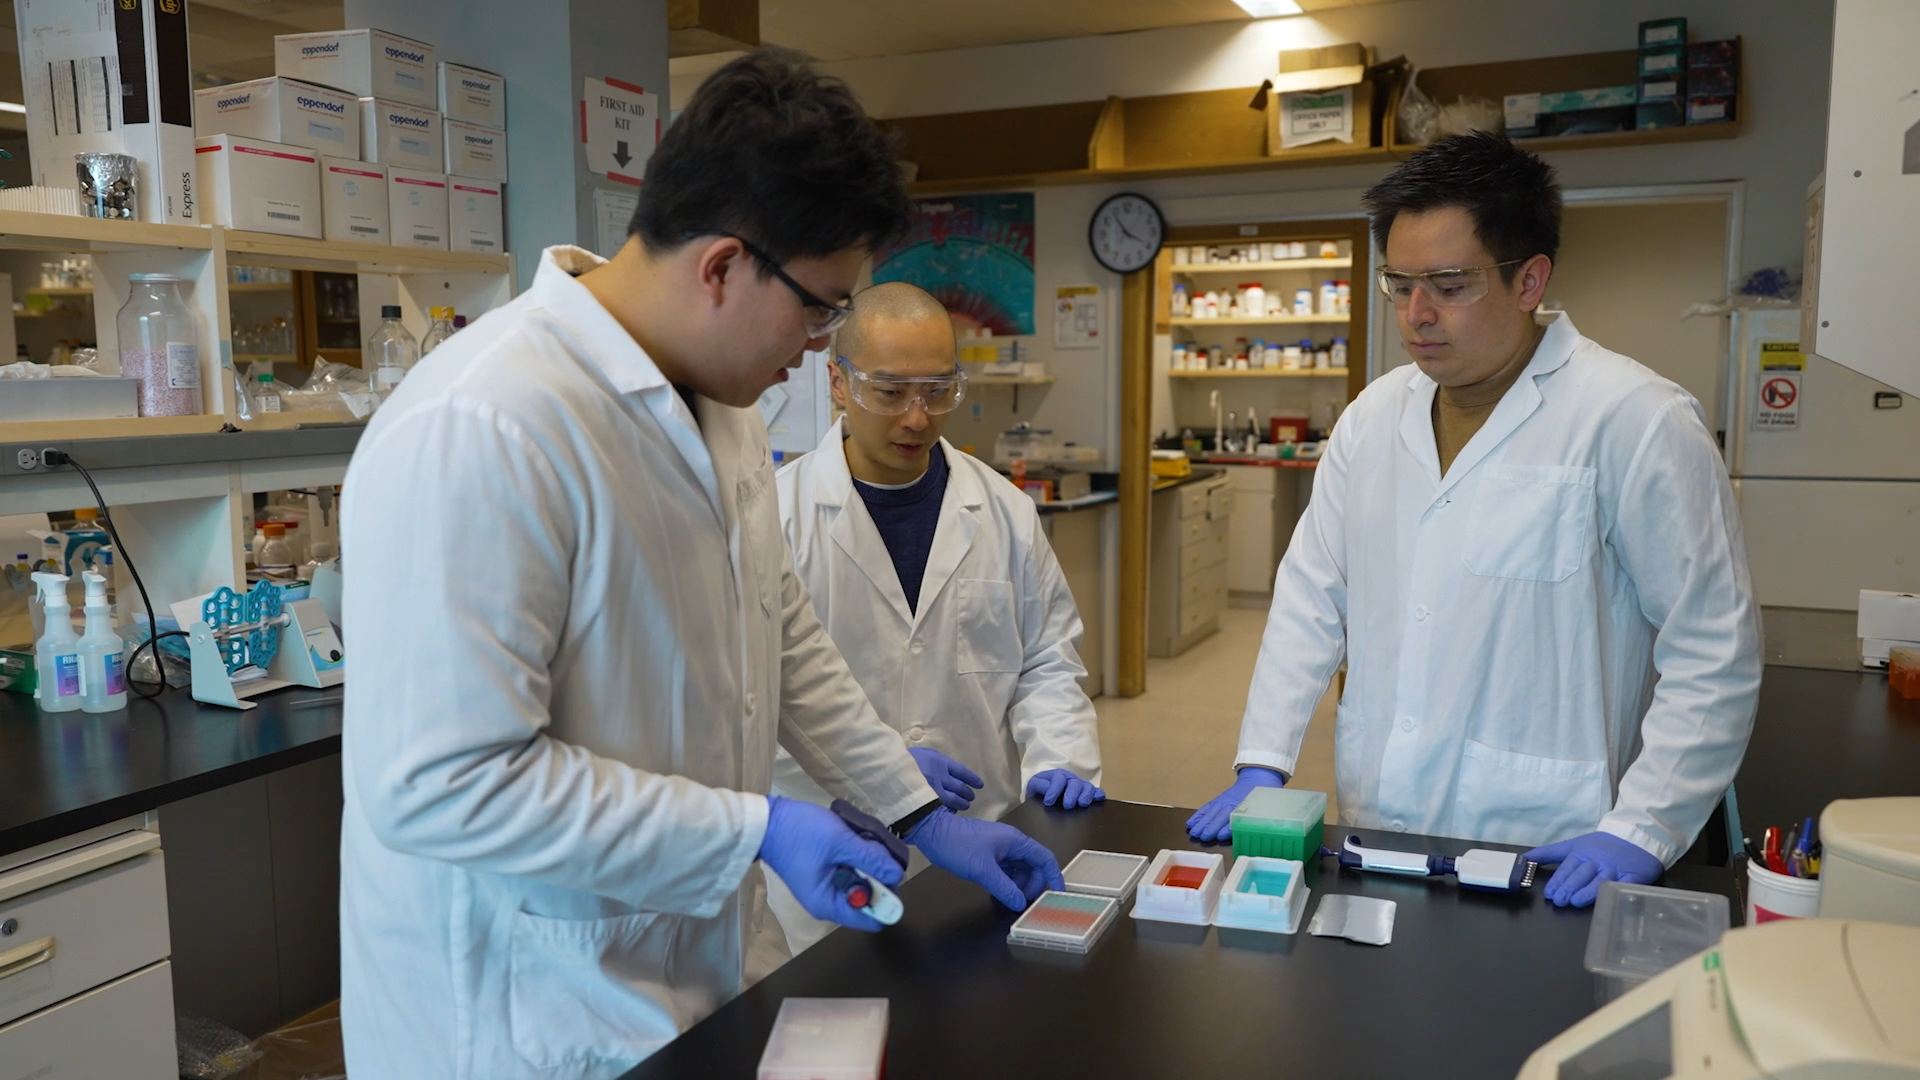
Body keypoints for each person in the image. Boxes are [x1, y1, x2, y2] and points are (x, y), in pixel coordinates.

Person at [337, 51, 1062, 1080]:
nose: (820, 347)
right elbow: (440, 784)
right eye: (819, 310)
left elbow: (781, 633)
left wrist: (917, 810)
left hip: (694, 965)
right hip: (521, 1009)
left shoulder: (719, 406)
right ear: (723, 265)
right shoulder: (486, 425)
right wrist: (753, 828)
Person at [1186, 132, 1761, 908]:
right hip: (1380, 823)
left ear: (1530, 280)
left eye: (1450, 285)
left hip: (1548, 845)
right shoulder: (1373, 417)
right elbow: (1311, 596)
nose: (1417, 315)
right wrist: (1263, 758)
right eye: (1400, 285)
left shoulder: (1634, 419)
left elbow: (1713, 644)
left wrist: (1645, 826)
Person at [766, 282, 1105, 952]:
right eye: (890, 392)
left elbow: (1045, 656)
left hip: (981, 844)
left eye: (938, 389)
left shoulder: (1002, 511)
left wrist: (1058, 758)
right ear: (838, 383)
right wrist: (877, 772)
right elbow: (751, 703)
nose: (917, 418)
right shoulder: (776, 517)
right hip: (830, 863)